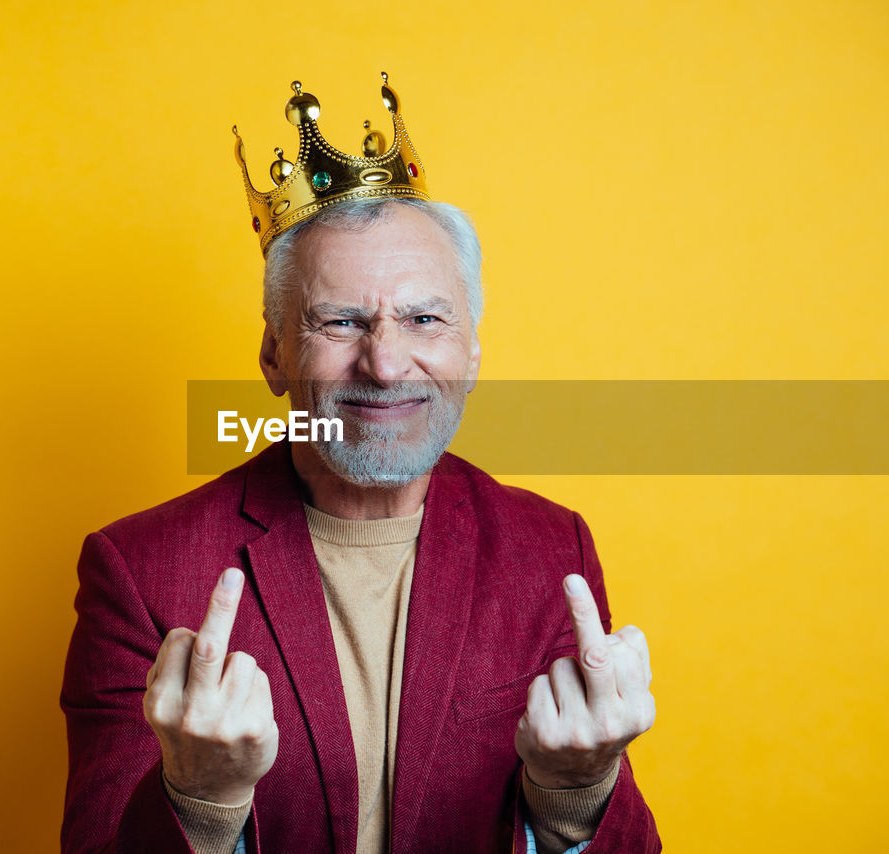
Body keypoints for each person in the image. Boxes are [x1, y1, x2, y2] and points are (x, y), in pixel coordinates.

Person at [60, 75, 660, 854]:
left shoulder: (549, 551)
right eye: (340, 321)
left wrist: (575, 797)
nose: (385, 363)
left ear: (471, 352)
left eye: (424, 319)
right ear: (274, 354)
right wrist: (198, 798)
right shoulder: (139, 572)